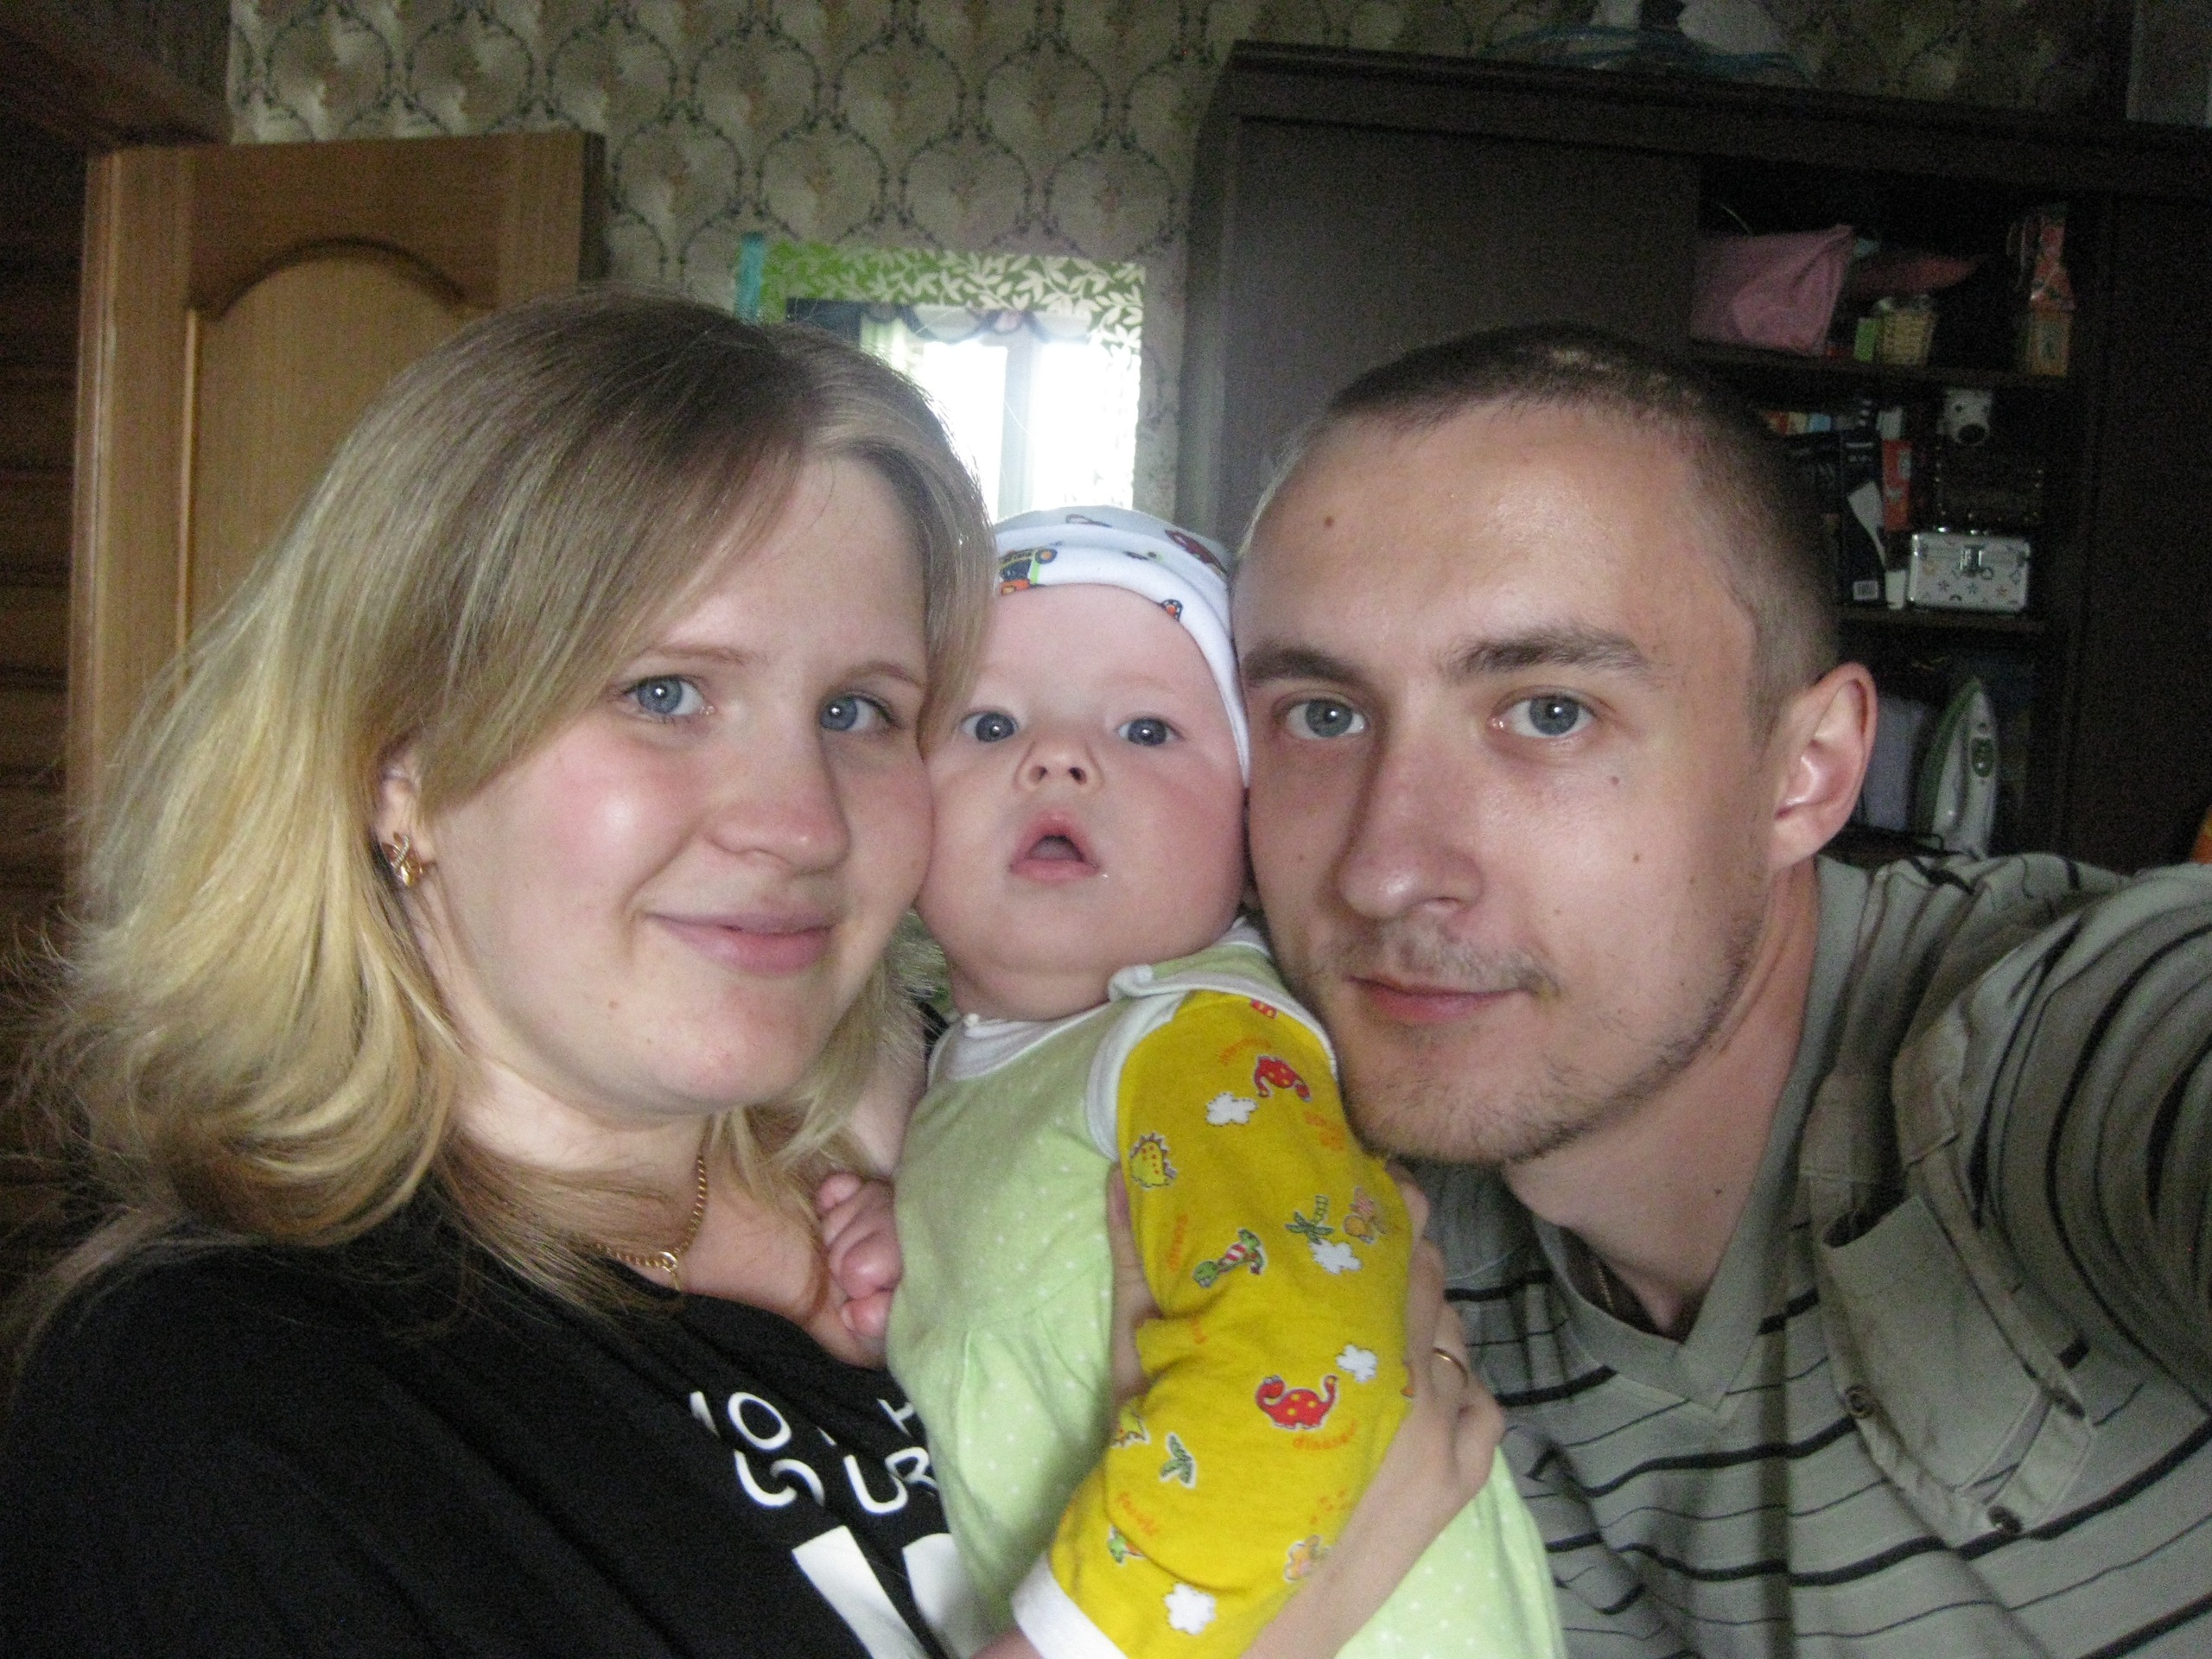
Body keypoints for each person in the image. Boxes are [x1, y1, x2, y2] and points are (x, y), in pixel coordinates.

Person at [0, 290, 1485, 1658]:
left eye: (859, 711)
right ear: (401, 768)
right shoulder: (211, 1404)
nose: (799, 823)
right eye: (665, 692)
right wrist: (1291, 1617)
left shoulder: (1005, 1113)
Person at [1230, 324, 2212, 1657]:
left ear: (1805, 772)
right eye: (1322, 716)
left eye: (1552, 712)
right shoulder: (1379, 1226)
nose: (1386, 871)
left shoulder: (2033, 1058)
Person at [888, 507, 1562, 1659]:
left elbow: (1296, 1353)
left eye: (1147, 730)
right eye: (989, 723)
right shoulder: (973, 1073)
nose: (1058, 758)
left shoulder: (1204, 1042)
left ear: (1247, 832)